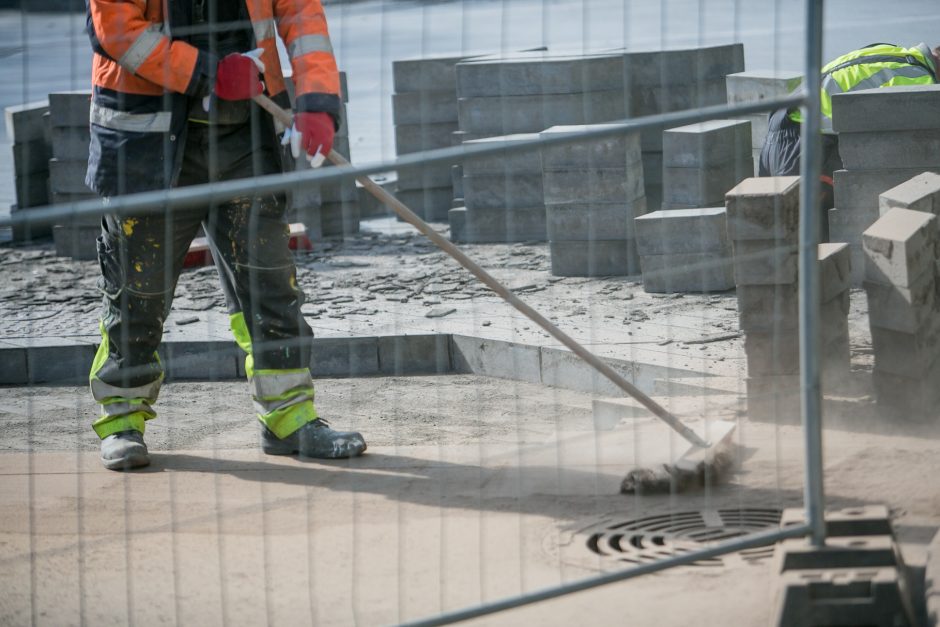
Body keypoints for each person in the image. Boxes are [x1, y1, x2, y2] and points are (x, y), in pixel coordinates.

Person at [85, 0, 367, 470]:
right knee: (139, 292)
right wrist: (205, 73)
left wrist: (317, 101)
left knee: (269, 282)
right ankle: (122, 420)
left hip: (243, 137)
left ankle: (288, 416)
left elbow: (301, 15)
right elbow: (115, 29)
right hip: (148, 147)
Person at [759, 42, 940, 218]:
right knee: (811, 236)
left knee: (770, 230)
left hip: (781, 128)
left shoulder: (895, 54)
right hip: (806, 144)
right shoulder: (923, 83)